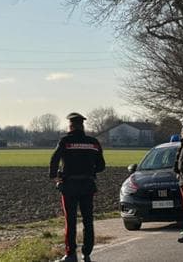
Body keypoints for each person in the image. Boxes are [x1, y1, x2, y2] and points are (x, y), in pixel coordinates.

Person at [50, 112, 106, 262]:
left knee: (70, 220)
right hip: (88, 185)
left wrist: (55, 176)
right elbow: (101, 165)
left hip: (69, 186)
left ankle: (71, 254)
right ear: (82, 126)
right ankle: (87, 253)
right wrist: (90, 171)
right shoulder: (93, 142)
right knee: (88, 220)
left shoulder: (65, 141)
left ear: (71, 126)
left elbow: (54, 159)